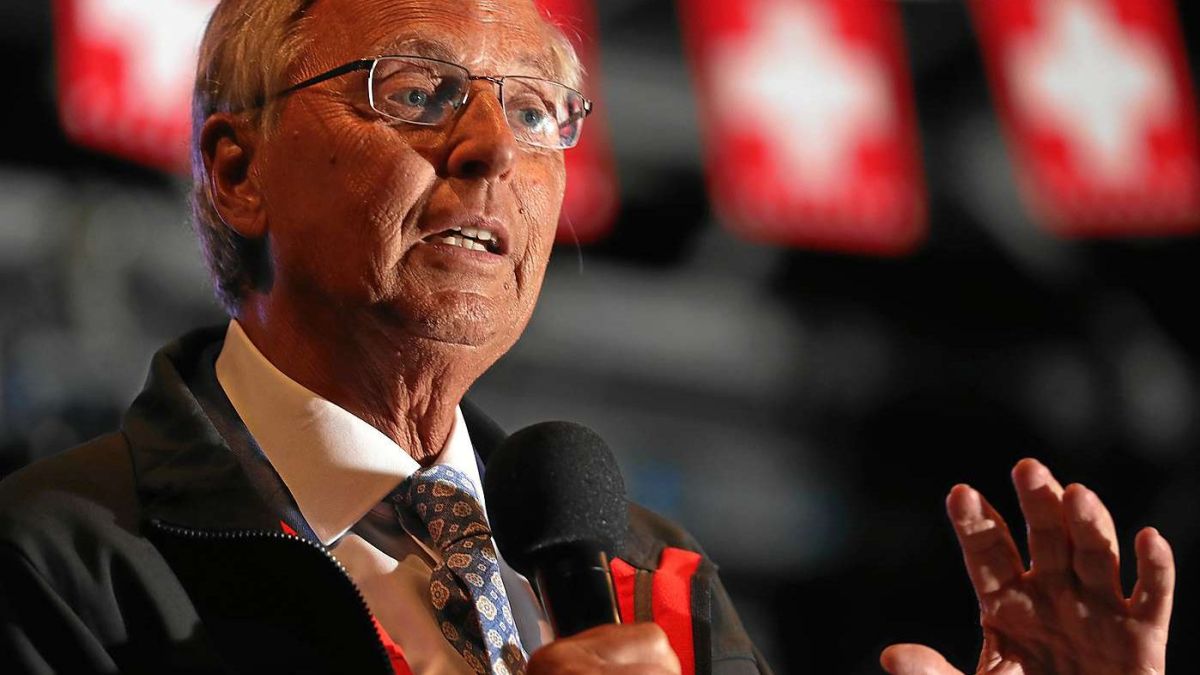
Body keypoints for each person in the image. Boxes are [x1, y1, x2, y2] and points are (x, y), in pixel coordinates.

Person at [0, 0, 1175, 674]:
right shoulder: (58, 559)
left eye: (533, 109)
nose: (492, 151)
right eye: (415, 92)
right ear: (237, 171)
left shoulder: (655, 580)